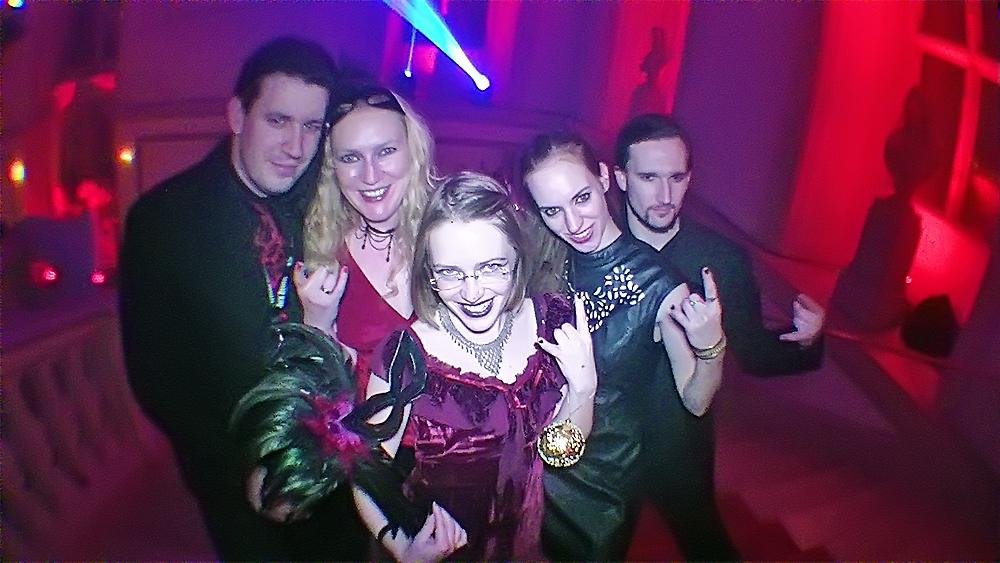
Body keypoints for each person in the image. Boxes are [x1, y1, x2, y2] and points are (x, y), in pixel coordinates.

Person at [119, 37, 367, 559]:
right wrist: (240, 467)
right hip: (240, 481)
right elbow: (159, 378)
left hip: (334, 471)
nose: (296, 146)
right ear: (237, 115)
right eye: (278, 120)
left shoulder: (328, 205)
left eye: (312, 126)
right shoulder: (164, 221)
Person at [353, 172, 599, 561]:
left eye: (492, 267)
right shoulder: (405, 355)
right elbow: (365, 472)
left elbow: (559, 455)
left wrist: (583, 389)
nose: (472, 293)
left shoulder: (555, 321)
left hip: (530, 546)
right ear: (429, 273)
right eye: (450, 273)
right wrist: (404, 551)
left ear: (517, 259)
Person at [613, 113, 826, 558]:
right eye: (649, 178)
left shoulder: (722, 258)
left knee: (708, 547)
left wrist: (806, 339)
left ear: (690, 179)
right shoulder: (595, 248)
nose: (664, 196)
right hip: (608, 444)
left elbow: (754, 353)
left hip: (682, 442)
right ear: (621, 178)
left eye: (676, 178)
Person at [521, 132, 727, 560]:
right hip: (539, 458)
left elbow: (695, 400)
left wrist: (712, 346)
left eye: (581, 199)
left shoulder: (659, 284)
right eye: (553, 211)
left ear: (603, 179)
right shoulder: (550, 260)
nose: (573, 224)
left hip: (603, 477)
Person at [297, 82, 435, 396]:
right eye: (350, 158)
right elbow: (320, 396)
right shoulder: (325, 252)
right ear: (332, 167)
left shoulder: (453, 235)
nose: (370, 176)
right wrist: (316, 324)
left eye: (385, 152)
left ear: (413, 151)